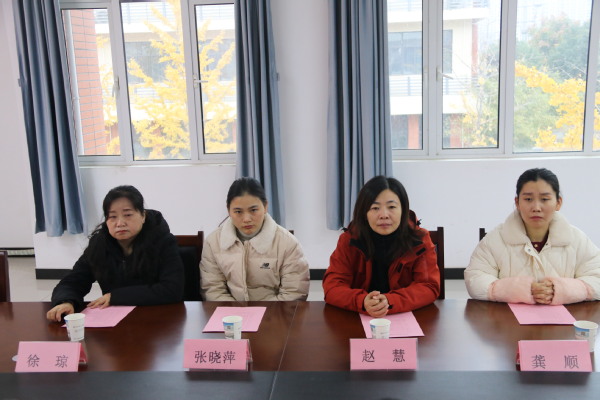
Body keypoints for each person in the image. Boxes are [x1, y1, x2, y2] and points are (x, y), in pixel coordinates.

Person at [46, 185, 184, 321]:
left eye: (128, 215)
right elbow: (74, 280)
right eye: (112, 216)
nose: (120, 223)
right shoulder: (99, 245)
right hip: (113, 321)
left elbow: (172, 289)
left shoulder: (163, 242)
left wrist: (115, 297)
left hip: (157, 318)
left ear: (143, 216)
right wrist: (66, 301)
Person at [465, 168, 600, 305]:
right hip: (507, 316)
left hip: (565, 317)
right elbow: (475, 279)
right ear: (517, 202)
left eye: (545, 199)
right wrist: (521, 290)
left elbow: (597, 277)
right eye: (528, 199)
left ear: (558, 202)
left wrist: (560, 290)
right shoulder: (496, 239)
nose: (536, 207)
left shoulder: (577, 239)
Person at [322, 176, 440, 317]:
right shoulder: (350, 240)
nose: (384, 215)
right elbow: (333, 287)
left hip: (405, 317)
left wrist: (389, 301)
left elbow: (428, 287)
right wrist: (362, 301)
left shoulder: (419, 240)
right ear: (364, 213)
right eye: (375, 208)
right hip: (358, 319)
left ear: (403, 210)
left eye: (392, 207)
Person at [200, 177, 310, 301]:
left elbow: (293, 293)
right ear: (228, 210)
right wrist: (235, 312)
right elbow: (213, 289)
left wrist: (262, 312)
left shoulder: (288, 243)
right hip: (230, 312)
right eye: (238, 212)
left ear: (265, 206)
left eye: (253, 210)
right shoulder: (213, 242)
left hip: (274, 312)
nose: (247, 219)